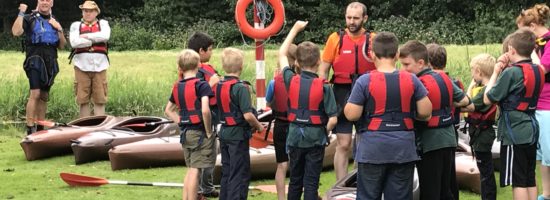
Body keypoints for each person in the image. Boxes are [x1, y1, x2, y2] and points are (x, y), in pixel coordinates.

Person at [344, 32, 432, 200]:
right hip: (403, 149)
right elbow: (425, 112)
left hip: (372, 150)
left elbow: (352, 114)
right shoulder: (412, 79)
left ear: (372, 54)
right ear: (397, 54)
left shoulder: (364, 81)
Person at [399, 40, 473, 200]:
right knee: (446, 189)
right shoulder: (445, 79)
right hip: (448, 138)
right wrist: (445, 102)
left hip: (430, 142)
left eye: (406, 65)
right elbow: (466, 101)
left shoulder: (416, 83)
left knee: (430, 191)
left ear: (420, 63)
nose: (403, 69)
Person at [278, 20, 338, 200]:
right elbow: (333, 119)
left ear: (296, 62)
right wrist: (323, 131)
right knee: (311, 183)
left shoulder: (290, 79)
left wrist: (295, 29)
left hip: (295, 137)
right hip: (315, 140)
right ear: (319, 61)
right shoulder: (325, 87)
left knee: (295, 181)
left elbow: (281, 53)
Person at [484, 28, 545, 200]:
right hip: (531, 128)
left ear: (511, 49)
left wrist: (496, 71)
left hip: (514, 132)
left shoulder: (512, 72)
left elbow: (488, 98)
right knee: (529, 176)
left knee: (517, 180)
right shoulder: (539, 70)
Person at [319, 1, 376, 180]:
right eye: (348, 17)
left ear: (364, 19)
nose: (351, 22)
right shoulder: (335, 38)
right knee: (343, 144)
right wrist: (324, 92)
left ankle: (361, 183)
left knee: (363, 142)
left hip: (367, 92)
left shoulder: (373, 39)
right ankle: (340, 186)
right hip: (341, 93)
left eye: (356, 18)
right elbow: (324, 68)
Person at [164, 49, 215, 200]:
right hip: (199, 132)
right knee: (195, 170)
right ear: (199, 65)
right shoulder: (202, 85)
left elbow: (168, 110)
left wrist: (181, 121)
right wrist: (208, 131)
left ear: (180, 68)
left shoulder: (177, 86)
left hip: (185, 133)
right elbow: (205, 111)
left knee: (190, 169)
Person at [12, 0, 66, 135]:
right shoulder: (29, 18)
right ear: (38, 2)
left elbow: (62, 45)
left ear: (52, 3)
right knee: (35, 93)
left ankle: (41, 129)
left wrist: (59, 29)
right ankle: (30, 129)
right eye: (42, 0)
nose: (45, 2)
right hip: (34, 58)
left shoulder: (54, 20)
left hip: (51, 58)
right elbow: (16, 32)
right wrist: (21, 12)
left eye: (48, 0)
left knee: (44, 95)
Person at [217, 47, 264, 200]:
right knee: (239, 172)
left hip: (223, 132)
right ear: (241, 67)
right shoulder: (240, 88)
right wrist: (259, 126)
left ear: (223, 67)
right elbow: (248, 115)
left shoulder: (219, 85)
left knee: (228, 171)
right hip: (237, 135)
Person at [516, 4, 550, 200]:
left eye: (523, 30)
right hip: (534, 104)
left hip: (547, 105)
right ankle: (545, 194)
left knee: (549, 153)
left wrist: (529, 51)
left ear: (533, 25)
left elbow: (541, 70)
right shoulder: (537, 44)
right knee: (540, 156)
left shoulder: (547, 43)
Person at [426, 43, 464, 199]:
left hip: (434, 133)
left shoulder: (428, 81)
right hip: (451, 131)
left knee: (435, 179)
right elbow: (464, 102)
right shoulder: (454, 82)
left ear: (426, 62)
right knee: (449, 175)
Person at [187, 31, 220, 198]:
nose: (212, 52)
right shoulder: (196, 73)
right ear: (201, 51)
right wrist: (212, 83)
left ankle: (206, 187)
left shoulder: (194, 69)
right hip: (203, 120)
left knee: (210, 153)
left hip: (201, 119)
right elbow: (197, 96)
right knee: (206, 154)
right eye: (210, 49)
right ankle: (201, 190)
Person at [462, 54, 498, 200]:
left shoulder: (484, 92)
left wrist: (470, 86)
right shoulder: (485, 88)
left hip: (482, 136)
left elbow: (466, 105)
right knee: (485, 170)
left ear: (479, 72)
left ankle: (488, 197)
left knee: (485, 172)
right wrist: (472, 84)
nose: (472, 75)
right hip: (482, 134)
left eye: (472, 71)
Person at [265, 43, 297, 200]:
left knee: (282, 164)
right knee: (298, 163)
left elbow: (269, 102)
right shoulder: (300, 81)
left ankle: (280, 198)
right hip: (297, 126)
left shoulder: (273, 82)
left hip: (280, 125)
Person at [69, 0, 110, 118]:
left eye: (90, 11)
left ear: (96, 12)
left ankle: (99, 127)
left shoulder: (103, 24)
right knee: (82, 99)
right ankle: (85, 126)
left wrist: (86, 36)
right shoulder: (76, 25)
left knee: (100, 99)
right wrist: (96, 38)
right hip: (81, 66)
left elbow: (105, 36)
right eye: (85, 11)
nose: (87, 13)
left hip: (100, 66)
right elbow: (75, 42)